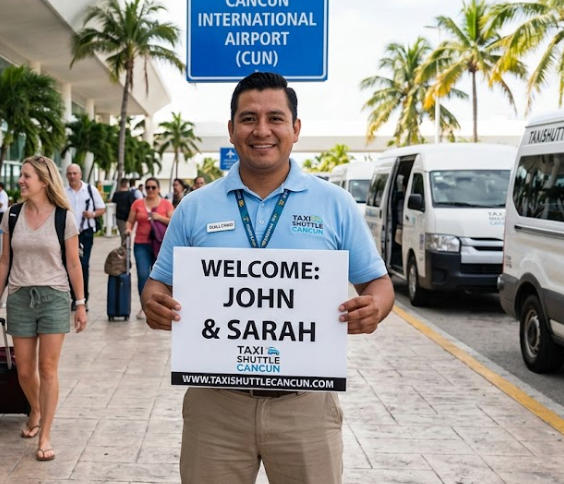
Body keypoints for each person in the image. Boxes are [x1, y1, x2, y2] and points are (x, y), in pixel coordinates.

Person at [141, 72, 394, 483]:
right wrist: (153, 302)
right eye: (248, 119)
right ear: (231, 129)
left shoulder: (336, 205)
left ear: (295, 129)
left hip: (306, 406)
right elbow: (159, 283)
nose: (262, 130)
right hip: (216, 406)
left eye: (275, 118)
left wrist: (374, 309)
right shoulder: (194, 207)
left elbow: (378, 284)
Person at [0, 155, 87, 463]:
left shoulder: (62, 217)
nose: (21, 180)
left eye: (26, 176)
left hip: (54, 297)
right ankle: (36, 409)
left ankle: (44, 434)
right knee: (25, 370)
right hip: (19, 297)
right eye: (21, 175)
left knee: (47, 369)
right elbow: (4, 260)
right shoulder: (12, 215)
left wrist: (80, 303)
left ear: (43, 181)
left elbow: (73, 262)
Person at [124, 177, 172, 320]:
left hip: (160, 245)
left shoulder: (166, 204)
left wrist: (159, 218)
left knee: (160, 277)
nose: (150, 190)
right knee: (143, 275)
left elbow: (173, 222)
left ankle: (160, 306)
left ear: (158, 189)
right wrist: (127, 230)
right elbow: (130, 221)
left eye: (153, 187)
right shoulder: (137, 203)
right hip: (141, 244)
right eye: (148, 187)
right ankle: (145, 306)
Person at [64, 163, 105, 307]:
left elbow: (102, 208)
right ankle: (75, 298)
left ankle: (83, 299)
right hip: (68, 234)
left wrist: (92, 214)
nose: (72, 176)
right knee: (69, 265)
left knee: (83, 265)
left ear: (80, 174)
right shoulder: (63, 192)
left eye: (75, 173)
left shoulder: (90, 190)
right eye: (69, 173)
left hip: (85, 233)